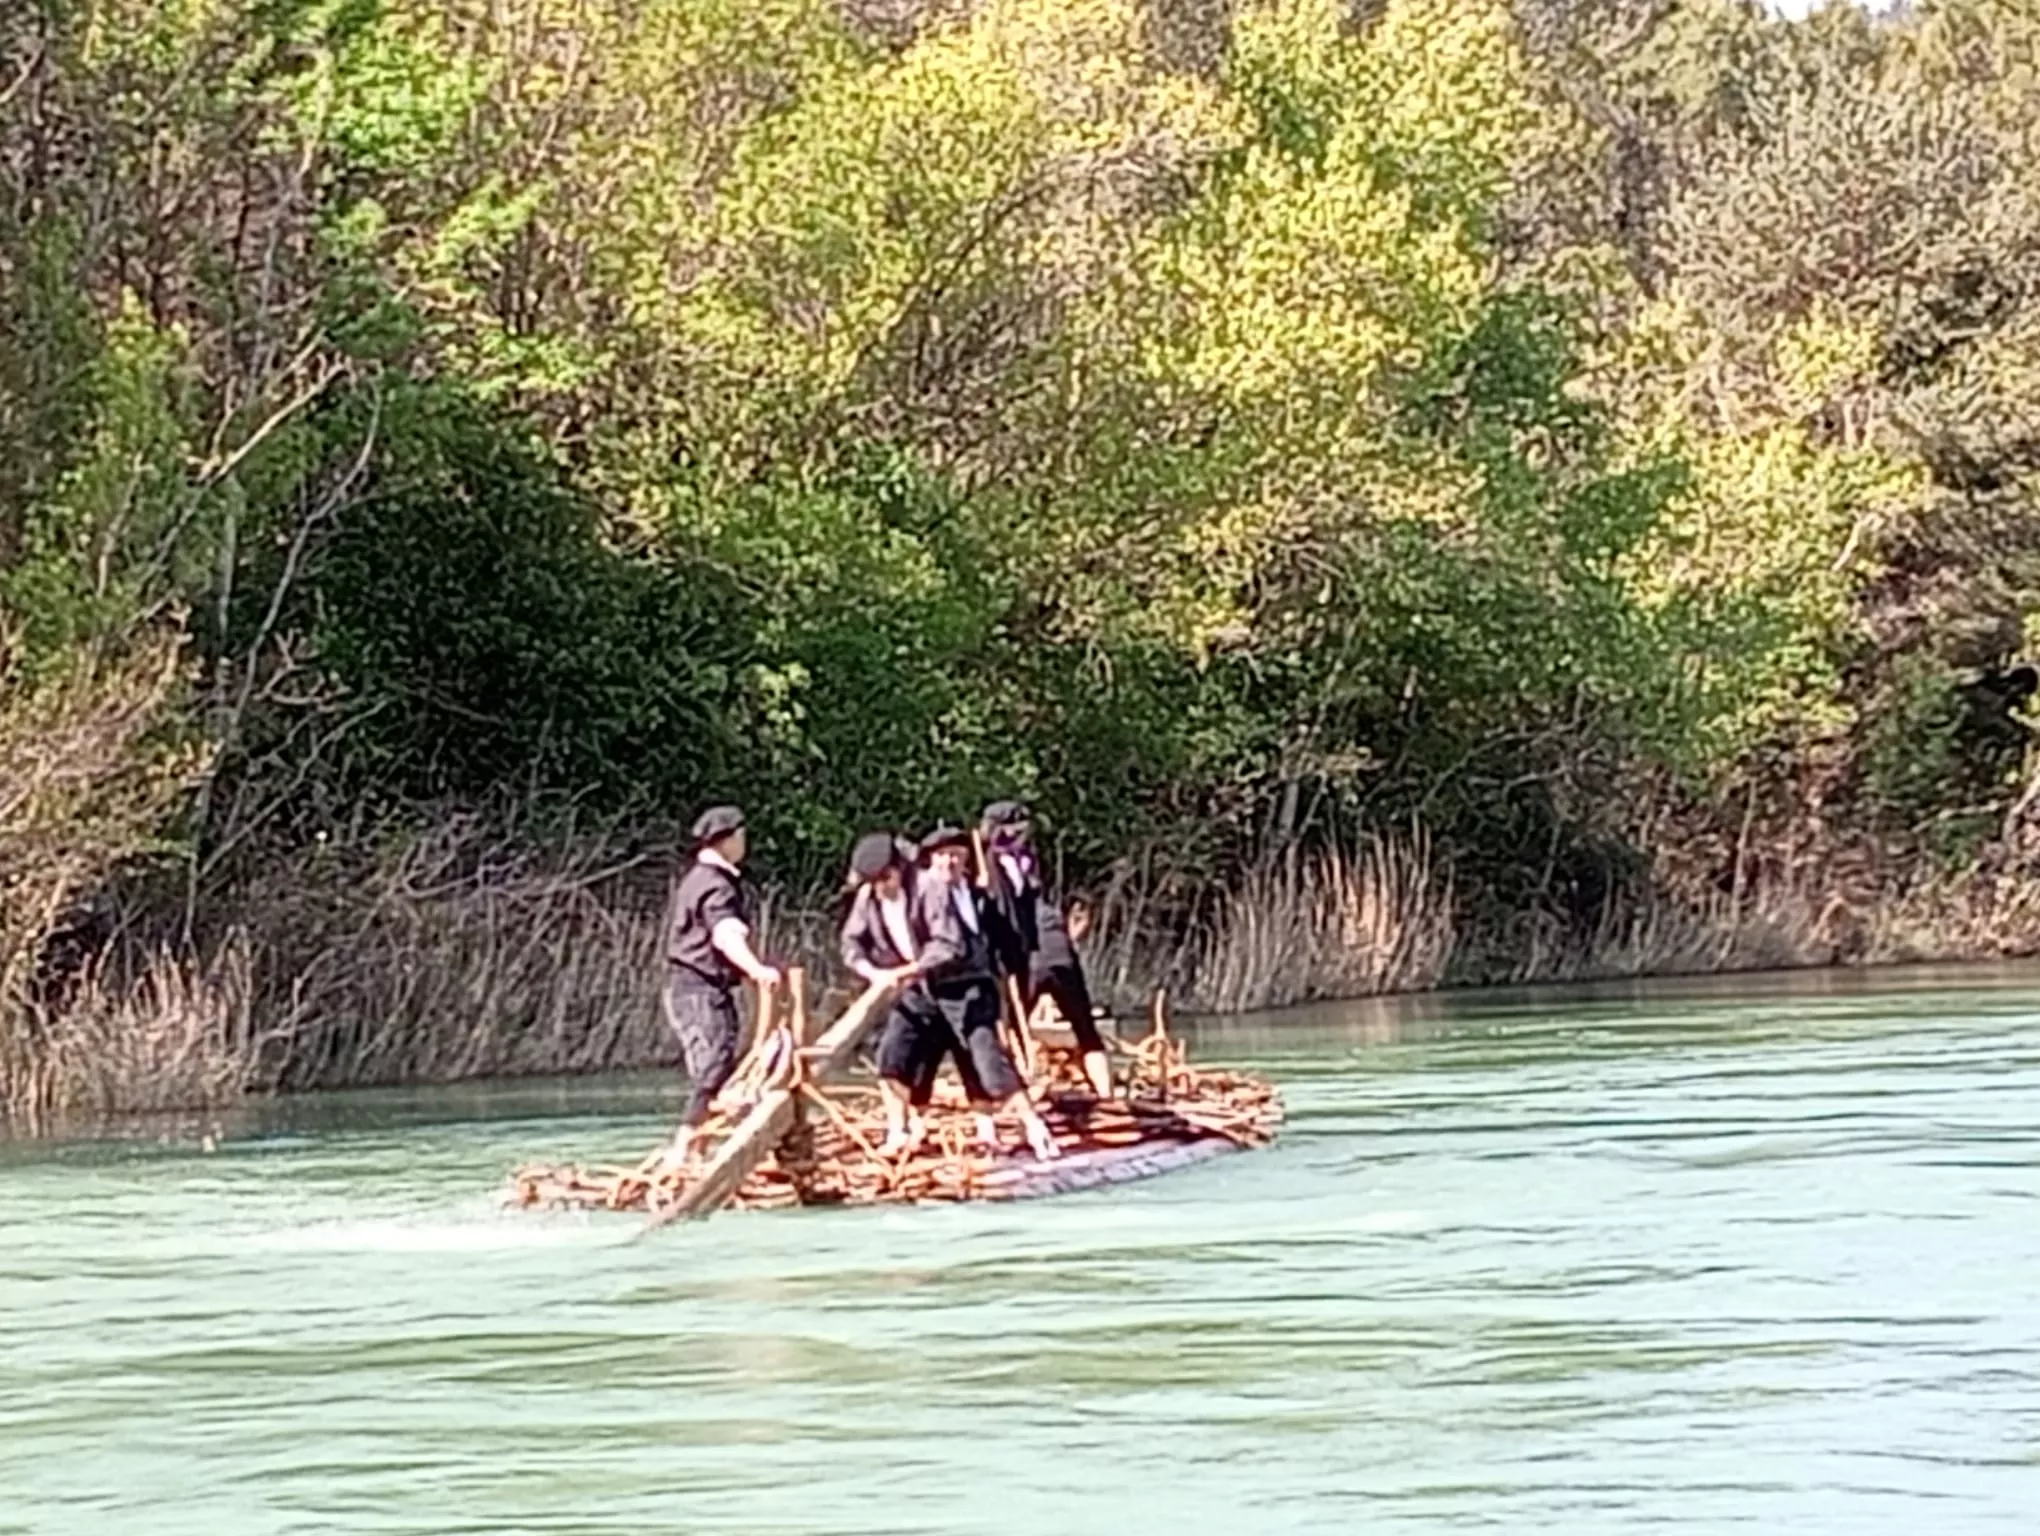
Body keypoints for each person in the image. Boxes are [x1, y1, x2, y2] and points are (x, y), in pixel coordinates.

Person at [914, 824, 1060, 1161]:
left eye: (956, 856)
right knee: (921, 1060)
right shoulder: (919, 897)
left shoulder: (977, 896)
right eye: (942, 856)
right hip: (931, 990)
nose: (949, 863)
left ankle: (1025, 1126)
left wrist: (1015, 971)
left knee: (986, 1058)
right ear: (931, 860)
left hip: (974, 987)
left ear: (966, 860)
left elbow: (1003, 939)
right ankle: (916, 1128)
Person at [838, 830, 985, 1155]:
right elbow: (851, 943)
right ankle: (898, 1129)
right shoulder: (868, 897)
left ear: (899, 869)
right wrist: (872, 972)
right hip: (910, 991)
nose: (881, 887)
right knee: (891, 1057)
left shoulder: (928, 887)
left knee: (969, 1054)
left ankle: (985, 1124)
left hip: (951, 984)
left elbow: (947, 943)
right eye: (873, 882)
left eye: (885, 878)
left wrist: (909, 970)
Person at [659, 804, 781, 1169]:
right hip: (698, 987)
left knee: (717, 1063)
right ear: (728, 840)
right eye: (742, 836)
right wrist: (756, 969)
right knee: (713, 1064)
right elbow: (726, 935)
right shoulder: (716, 885)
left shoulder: (697, 878)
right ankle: (684, 1148)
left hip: (692, 987)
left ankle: (698, 1149)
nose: (745, 843)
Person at [978, 799, 1114, 1098]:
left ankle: (1018, 1094)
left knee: (1013, 1031)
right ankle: (1106, 1095)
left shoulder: (1005, 865)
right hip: (1053, 951)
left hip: (1033, 956)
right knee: (1086, 1030)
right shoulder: (1015, 865)